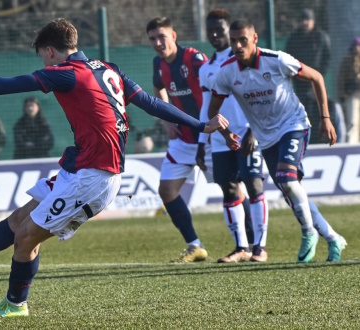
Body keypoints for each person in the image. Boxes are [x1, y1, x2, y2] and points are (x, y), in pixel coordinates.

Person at [0, 18, 228, 319]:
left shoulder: (66, 74)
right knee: (16, 223)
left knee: (25, 237)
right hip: (79, 167)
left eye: (42, 55)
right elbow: (152, 104)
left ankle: (15, 304)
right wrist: (201, 125)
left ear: (50, 51)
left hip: (96, 177)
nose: (43, 62)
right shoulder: (107, 68)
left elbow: (3, 85)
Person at [208, 19, 347, 263]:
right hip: (266, 139)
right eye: (234, 41)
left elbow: (317, 77)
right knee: (291, 191)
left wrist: (326, 118)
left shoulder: (277, 60)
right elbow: (213, 112)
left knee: (286, 179)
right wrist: (226, 134)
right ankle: (333, 238)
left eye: (243, 40)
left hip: (294, 124)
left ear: (255, 38)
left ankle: (308, 232)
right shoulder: (227, 72)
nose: (238, 45)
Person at [148, 17, 236, 262]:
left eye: (162, 36)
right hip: (183, 139)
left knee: (232, 189)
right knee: (167, 190)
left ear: (174, 36)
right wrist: (166, 120)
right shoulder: (158, 64)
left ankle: (250, 244)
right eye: (153, 39)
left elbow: (216, 86)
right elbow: (158, 90)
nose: (158, 43)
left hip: (208, 137)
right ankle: (195, 245)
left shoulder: (194, 59)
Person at [195, 9, 269, 263]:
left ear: (231, 31)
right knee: (228, 189)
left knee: (254, 184)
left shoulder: (243, 59)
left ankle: (260, 247)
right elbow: (207, 106)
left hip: (247, 134)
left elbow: (259, 96)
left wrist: (253, 130)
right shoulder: (206, 68)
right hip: (219, 139)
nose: (215, 34)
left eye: (220, 29)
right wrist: (201, 141)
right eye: (210, 30)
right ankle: (241, 247)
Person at [284, 9, 331, 144]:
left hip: (316, 81)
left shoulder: (321, 37)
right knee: (302, 110)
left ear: (313, 21)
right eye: (302, 20)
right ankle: (304, 139)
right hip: (299, 81)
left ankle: (320, 139)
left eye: (307, 20)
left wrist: (316, 78)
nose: (305, 23)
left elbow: (326, 59)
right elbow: (289, 59)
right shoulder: (294, 38)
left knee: (319, 109)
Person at [337, 38, 360, 143]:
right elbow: (341, 79)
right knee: (352, 121)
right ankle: (352, 143)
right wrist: (342, 94)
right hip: (352, 95)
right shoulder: (347, 60)